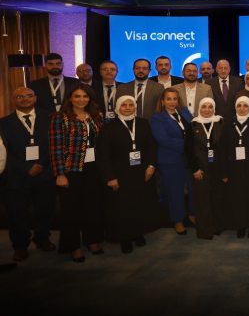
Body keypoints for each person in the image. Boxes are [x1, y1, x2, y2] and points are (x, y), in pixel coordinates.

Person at [96, 95, 159, 253]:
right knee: (122, 207)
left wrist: (151, 166)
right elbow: (103, 155)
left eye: (131, 105)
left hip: (141, 172)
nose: (128, 108)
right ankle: (125, 237)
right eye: (124, 105)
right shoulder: (108, 128)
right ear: (118, 108)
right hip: (120, 174)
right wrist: (110, 177)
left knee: (139, 204)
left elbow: (152, 147)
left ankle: (138, 233)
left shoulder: (144, 124)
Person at [49, 84, 105, 262]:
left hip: (93, 169)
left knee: (92, 207)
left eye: (85, 96)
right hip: (71, 169)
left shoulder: (96, 116)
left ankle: (92, 240)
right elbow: (56, 148)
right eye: (77, 96)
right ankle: (73, 246)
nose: (81, 100)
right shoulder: (60, 118)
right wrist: (60, 173)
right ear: (70, 98)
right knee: (71, 210)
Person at [0, 87, 56, 262]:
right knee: (17, 214)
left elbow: (55, 144)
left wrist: (42, 164)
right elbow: (4, 152)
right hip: (16, 176)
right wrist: (26, 168)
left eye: (28, 96)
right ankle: (20, 245)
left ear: (35, 98)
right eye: (19, 96)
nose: (24, 99)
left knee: (45, 210)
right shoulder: (3, 123)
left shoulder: (50, 118)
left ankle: (42, 239)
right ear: (13, 100)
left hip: (45, 173)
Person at [220, 96, 249, 238]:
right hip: (234, 169)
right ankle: (241, 225)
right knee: (237, 198)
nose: (242, 108)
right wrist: (224, 172)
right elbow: (223, 149)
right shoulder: (229, 124)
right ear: (235, 107)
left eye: (245, 105)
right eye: (239, 105)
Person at [150, 88, 194, 235]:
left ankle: (192, 214)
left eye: (175, 99)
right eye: (168, 99)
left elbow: (195, 130)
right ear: (163, 101)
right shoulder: (157, 118)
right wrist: (188, 145)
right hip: (170, 160)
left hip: (189, 159)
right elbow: (163, 140)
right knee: (175, 191)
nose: (172, 102)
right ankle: (178, 220)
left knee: (193, 187)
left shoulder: (185, 113)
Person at [186, 98, 227, 240]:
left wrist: (224, 170)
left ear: (214, 108)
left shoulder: (221, 123)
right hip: (200, 169)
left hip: (217, 168)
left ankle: (217, 227)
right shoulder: (192, 125)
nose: (207, 110)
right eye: (204, 107)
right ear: (199, 108)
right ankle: (204, 231)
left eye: (210, 107)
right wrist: (195, 169)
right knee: (202, 202)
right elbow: (188, 150)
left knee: (217, 199)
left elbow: (226, 149)